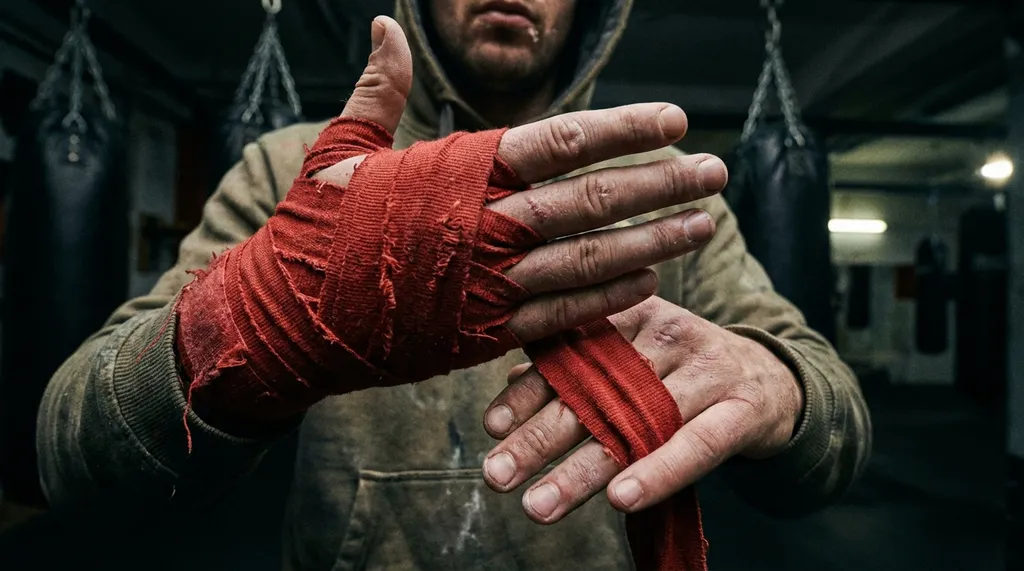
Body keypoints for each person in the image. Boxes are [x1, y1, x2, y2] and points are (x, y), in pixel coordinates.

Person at [36, 0, 871, 569]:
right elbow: (68, 443)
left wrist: (781, 386)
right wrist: (240, 325)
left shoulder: (657, 193)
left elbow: (837, 430)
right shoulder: (304, 169)